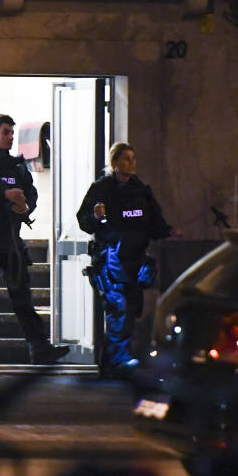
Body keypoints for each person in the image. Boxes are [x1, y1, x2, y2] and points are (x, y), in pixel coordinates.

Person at [76, 142, 177, 378]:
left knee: (132, 309)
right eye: (125, 159)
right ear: (114, 163)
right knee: (118, 309)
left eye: (133, 158)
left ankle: (115, 361)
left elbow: (155, 222)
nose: (131, 163)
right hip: (110, 259)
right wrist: (95, 216)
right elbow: (84, 220)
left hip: (135, 260)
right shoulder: (101, 189)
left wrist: (169, 232)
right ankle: (116, 362)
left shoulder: (141, 190)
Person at [0, 114, 69, 365]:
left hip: (10, 238)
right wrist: (5, 195)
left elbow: (30, 193)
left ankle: (39, 348)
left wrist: (25, 207)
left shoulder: (17, 166)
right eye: (6, 132)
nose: (11, 137)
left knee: (22, 297)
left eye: (12, 132)